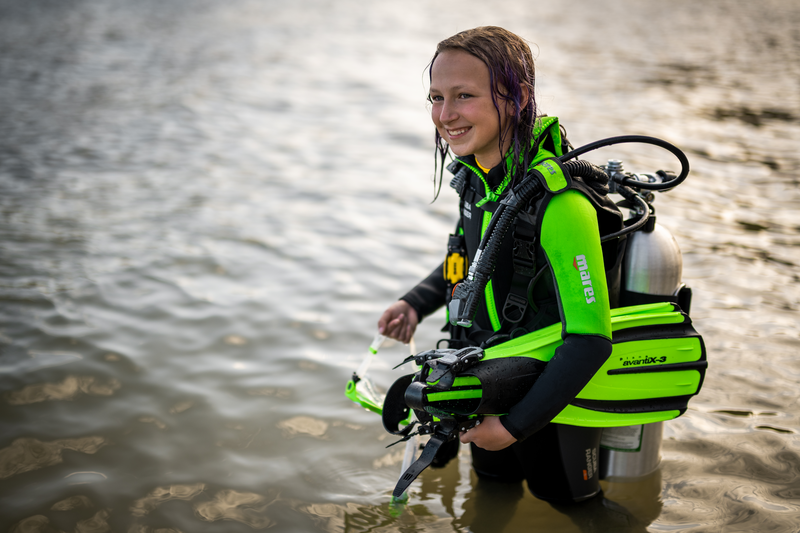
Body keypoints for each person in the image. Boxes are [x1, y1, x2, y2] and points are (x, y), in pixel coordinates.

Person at [377, 26, 628, 504]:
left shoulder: (561, 205)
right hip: (485, 375)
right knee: (489, 496)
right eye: (436, 97)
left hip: (549, 396)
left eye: (464, 96)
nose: (445, 115)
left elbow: (591, 340)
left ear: (516, 97)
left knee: (574, 509)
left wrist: (514, 428)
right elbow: (473, 262)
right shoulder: (477, 177)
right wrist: (416, 302)